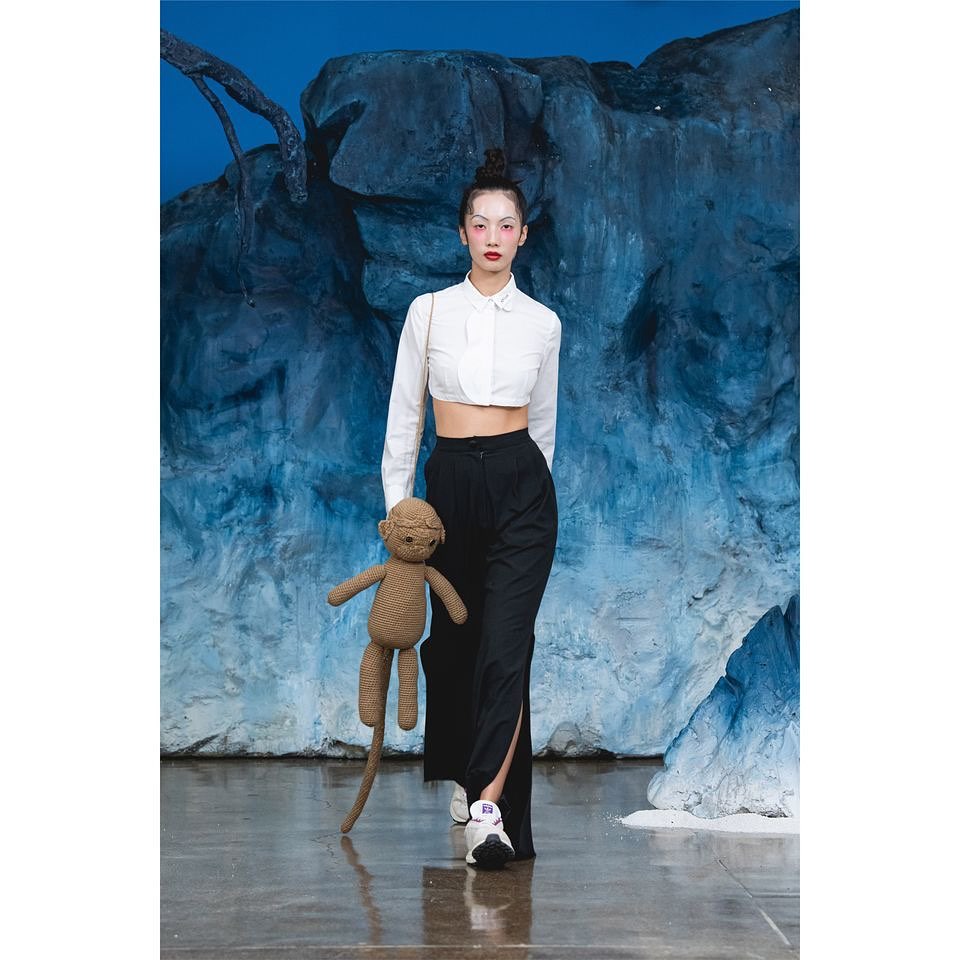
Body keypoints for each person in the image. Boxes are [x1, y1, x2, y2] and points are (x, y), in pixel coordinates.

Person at [381, 147, 560, 868]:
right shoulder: (428, 313)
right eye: (480, 223)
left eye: (506, 224)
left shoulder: (544, 323)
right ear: (462, 234)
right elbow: (405, 418)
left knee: (507, 648)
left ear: (523, 235)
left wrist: (527, 490)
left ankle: (490, 812)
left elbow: (543, 426)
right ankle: (467, 770)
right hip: (450, 485)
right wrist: (401, 512)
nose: (493, 236)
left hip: (521, 487)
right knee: (454, 649)